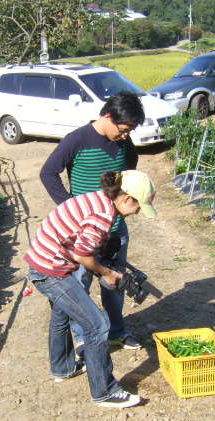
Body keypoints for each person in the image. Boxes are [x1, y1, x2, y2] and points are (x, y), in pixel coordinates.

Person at [25, 170, 157, 408]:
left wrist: (104, 261)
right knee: (96, 324)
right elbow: (82, 255)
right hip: (51, 269)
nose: (138, 212)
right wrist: (107, 273)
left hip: (43, 260)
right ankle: (105, 391)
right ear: (127, 198)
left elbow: (82, 244)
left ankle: (62, 368)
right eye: (139, 206)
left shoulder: (98, 199)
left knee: (62, 314)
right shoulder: (103, 214)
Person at [40, 91, 146, 356]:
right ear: (107, 116)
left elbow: (130, 166)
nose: (125, 135)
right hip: (84, 231)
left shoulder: (124, 142)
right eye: (122, 129)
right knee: (79, 285)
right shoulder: (77, 140)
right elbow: (48, 172)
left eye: (129, 131)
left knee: (114, 281)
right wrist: (70, 208)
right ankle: (82, 337)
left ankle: (117, 332)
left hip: (114, 229)